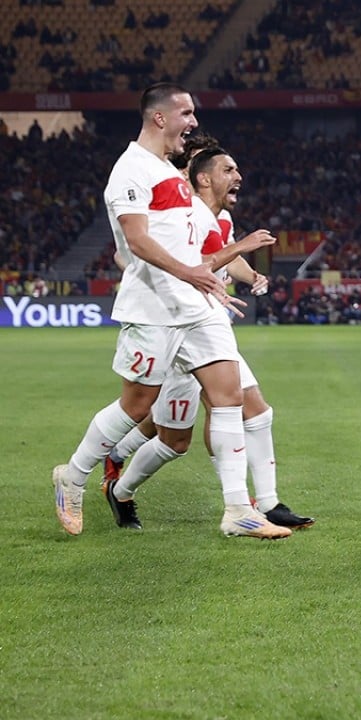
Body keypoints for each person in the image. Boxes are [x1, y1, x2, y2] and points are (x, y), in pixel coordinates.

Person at [52, 83, 289, 539]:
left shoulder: (169, 173)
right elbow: (138, 241)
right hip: (153, 307)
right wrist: (193, 272)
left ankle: (238, 510)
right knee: (136, 404)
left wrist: (211, 271)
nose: (194, 122)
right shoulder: (131, 171)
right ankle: (75, 475)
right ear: (160, 118)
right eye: (187, 113)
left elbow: (196, 239)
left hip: (196, 306)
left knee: (229, 397)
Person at [103, 144, 314, 532]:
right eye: (227, 169)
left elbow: (223, 258)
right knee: (172, 442)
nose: (236, 177)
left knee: (250, 409)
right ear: (201, 175)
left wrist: (251, 276)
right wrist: (239, 249)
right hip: (176, 326)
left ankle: (260, 505)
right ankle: (120, 488)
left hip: (209, 324)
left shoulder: (219, 217)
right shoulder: (180, 214)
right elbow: (177, 261)